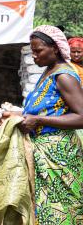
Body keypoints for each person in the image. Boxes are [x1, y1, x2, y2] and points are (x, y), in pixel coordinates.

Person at [17, 26, 83, 223]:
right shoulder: (48, 72)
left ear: (55, 48)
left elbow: (81, 116)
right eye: (33, 51)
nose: (35, 56)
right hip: (45, 154)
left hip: (59, 156)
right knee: (46, 210)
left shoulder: (64, 76)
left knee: (60, 210)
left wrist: (38, 120)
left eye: (38, 50)